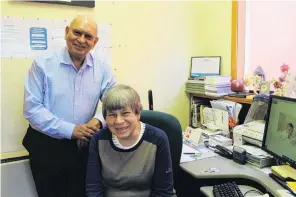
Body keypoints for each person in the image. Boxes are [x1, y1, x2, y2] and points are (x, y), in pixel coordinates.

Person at [22, 15, 116, 197]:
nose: (81, 40)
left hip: (84, 147)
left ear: (95, 42)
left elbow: (115, 103)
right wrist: (71, 130)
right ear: (67, 32)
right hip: (46, 147)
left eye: (88, 36)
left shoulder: (103, 69)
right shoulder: (42, 65)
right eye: (77, 32)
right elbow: (32, 109)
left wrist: (97, 121)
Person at [86, 84, 174, 197]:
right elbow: (93, 188)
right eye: (112, 115)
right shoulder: (98, 140)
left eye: (125, 113)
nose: (118, 121)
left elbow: (163, 192)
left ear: (138, 114)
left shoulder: (158, 139)